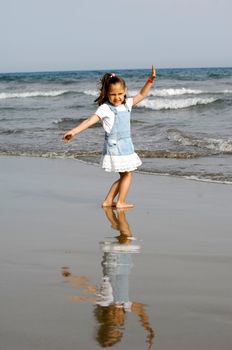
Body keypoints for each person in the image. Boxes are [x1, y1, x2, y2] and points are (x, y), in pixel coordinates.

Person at [63, 66, 156, 208]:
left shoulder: (127, 104)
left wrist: (150, 80)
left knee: (125, 175)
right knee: (127, 175)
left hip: (126, 145)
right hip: (115, 147)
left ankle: (108, 201)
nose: (117, 97)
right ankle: (120, 202)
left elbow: (142, 95)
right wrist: (74, 132)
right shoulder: (105, 108)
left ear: (125, 91)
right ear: (107, 94)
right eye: (113, 94)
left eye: (120, 93)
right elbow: (89, 121)